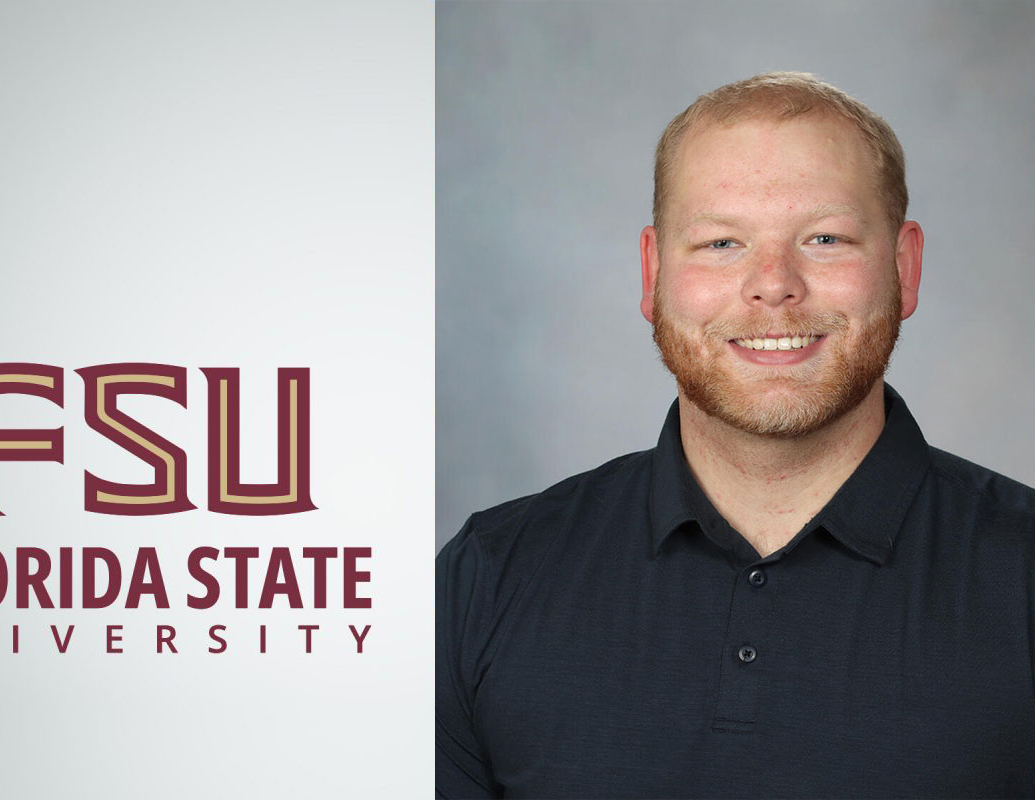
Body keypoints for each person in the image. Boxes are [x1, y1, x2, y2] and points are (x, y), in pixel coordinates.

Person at [436, 72, 1035, 799]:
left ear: (904, 268)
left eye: (825, 238)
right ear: (654, 271)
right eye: (721, 242)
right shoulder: (489, 576)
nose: (773, 285)